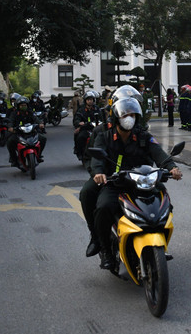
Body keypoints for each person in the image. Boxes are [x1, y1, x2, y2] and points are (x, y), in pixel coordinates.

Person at [91, 97, 182, 270]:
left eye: (132, 115)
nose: (129, 118)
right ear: (117, 117)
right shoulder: (105, 136)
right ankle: (106, 251)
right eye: (125, 115)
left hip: (142, 181)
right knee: (103, 208)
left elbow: (158, 152)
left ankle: (160, 243)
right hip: (115, 183)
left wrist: (172, 167)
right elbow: (97, 160)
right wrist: (99, 173)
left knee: (165, 205)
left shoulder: (143, 136)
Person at [78, 85, 145, 258]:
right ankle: (96, 237)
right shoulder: (101, 131)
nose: (129, 114)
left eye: (133, 108)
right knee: (87, 193)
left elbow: (152, 151)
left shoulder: (139, 130)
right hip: (106, 176)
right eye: (125, 109)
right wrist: (97, 173)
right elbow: (91, 157)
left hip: (134, 176)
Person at [6, 96, 46, 167]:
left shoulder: (30, 112)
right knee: (10, 141)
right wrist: (10, 127)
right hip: (18, 133)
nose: (23, 107)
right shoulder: (14, 114)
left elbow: (36, 119)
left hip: (31, 132)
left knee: (43, 138)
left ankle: (39, 155)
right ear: (18, 106)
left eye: (25, 105)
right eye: (22, 105)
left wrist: (40, 123)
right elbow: (10, 121)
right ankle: (13, 159)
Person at [73, 90, 101, 160]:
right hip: (85, 128)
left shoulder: (97, 108)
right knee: (80, 137)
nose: (90, 101)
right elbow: (76, 118)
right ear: (85, 101)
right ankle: (79, 152)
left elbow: (102, 118)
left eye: (91, 99)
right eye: (88, 100)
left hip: (95, 128)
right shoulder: (81, 109)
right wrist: (79, 123)